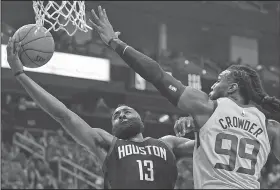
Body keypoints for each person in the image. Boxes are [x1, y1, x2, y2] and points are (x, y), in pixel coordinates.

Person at [89, 5, 280, 189]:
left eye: (219, 79)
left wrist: (115, 42)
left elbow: (158, 75)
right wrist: (198, 128)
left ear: (232, 88)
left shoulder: (206, 106)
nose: (213, 84)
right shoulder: (269, 127)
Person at [6, 38, 194, 189]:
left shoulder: (168, 143)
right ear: (113, 128)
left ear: (140, 119)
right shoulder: (107, 144)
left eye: (127, 111)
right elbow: (64, 115)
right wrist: (20, 75)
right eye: (116, 116)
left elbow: (210, 143)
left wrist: (197, 124)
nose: (121, 115)